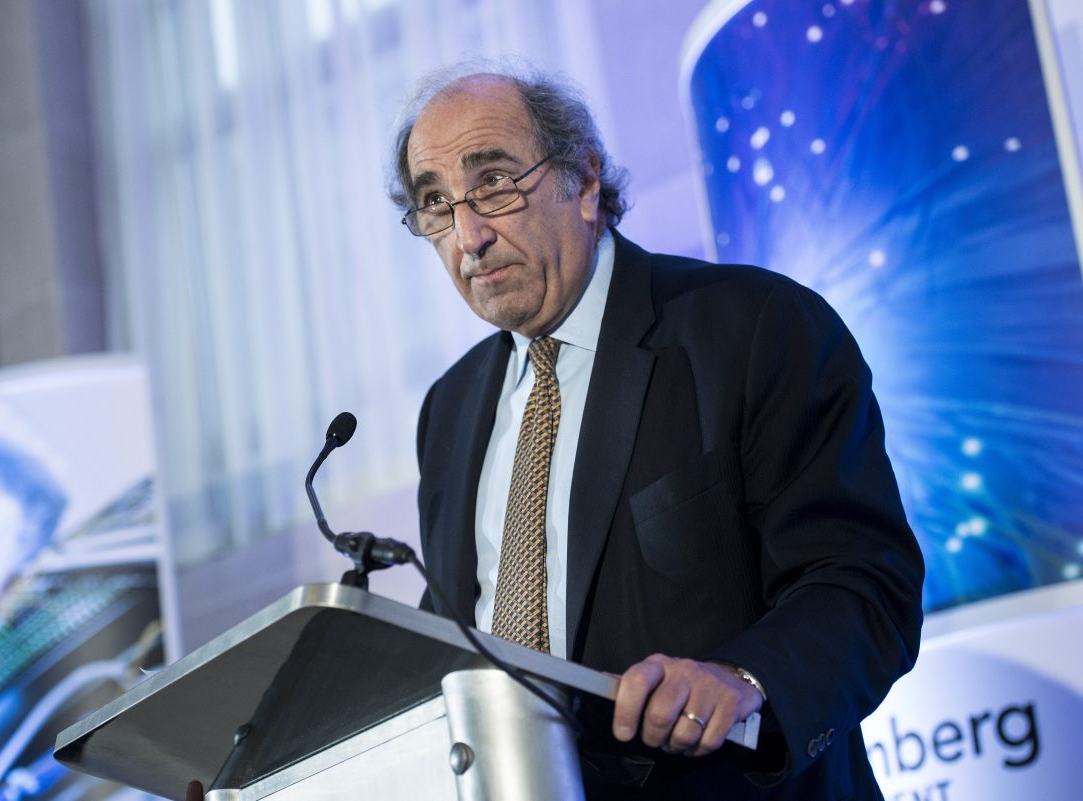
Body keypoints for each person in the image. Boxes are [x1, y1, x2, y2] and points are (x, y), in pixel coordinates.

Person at [390, 63, 924, 799]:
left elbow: (862, 582)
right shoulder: (447, 410)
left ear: (584, 180)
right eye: (436, 204)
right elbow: (456, 650)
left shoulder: (756, 327)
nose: (468, 236)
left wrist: (743, 678)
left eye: (494, 183)